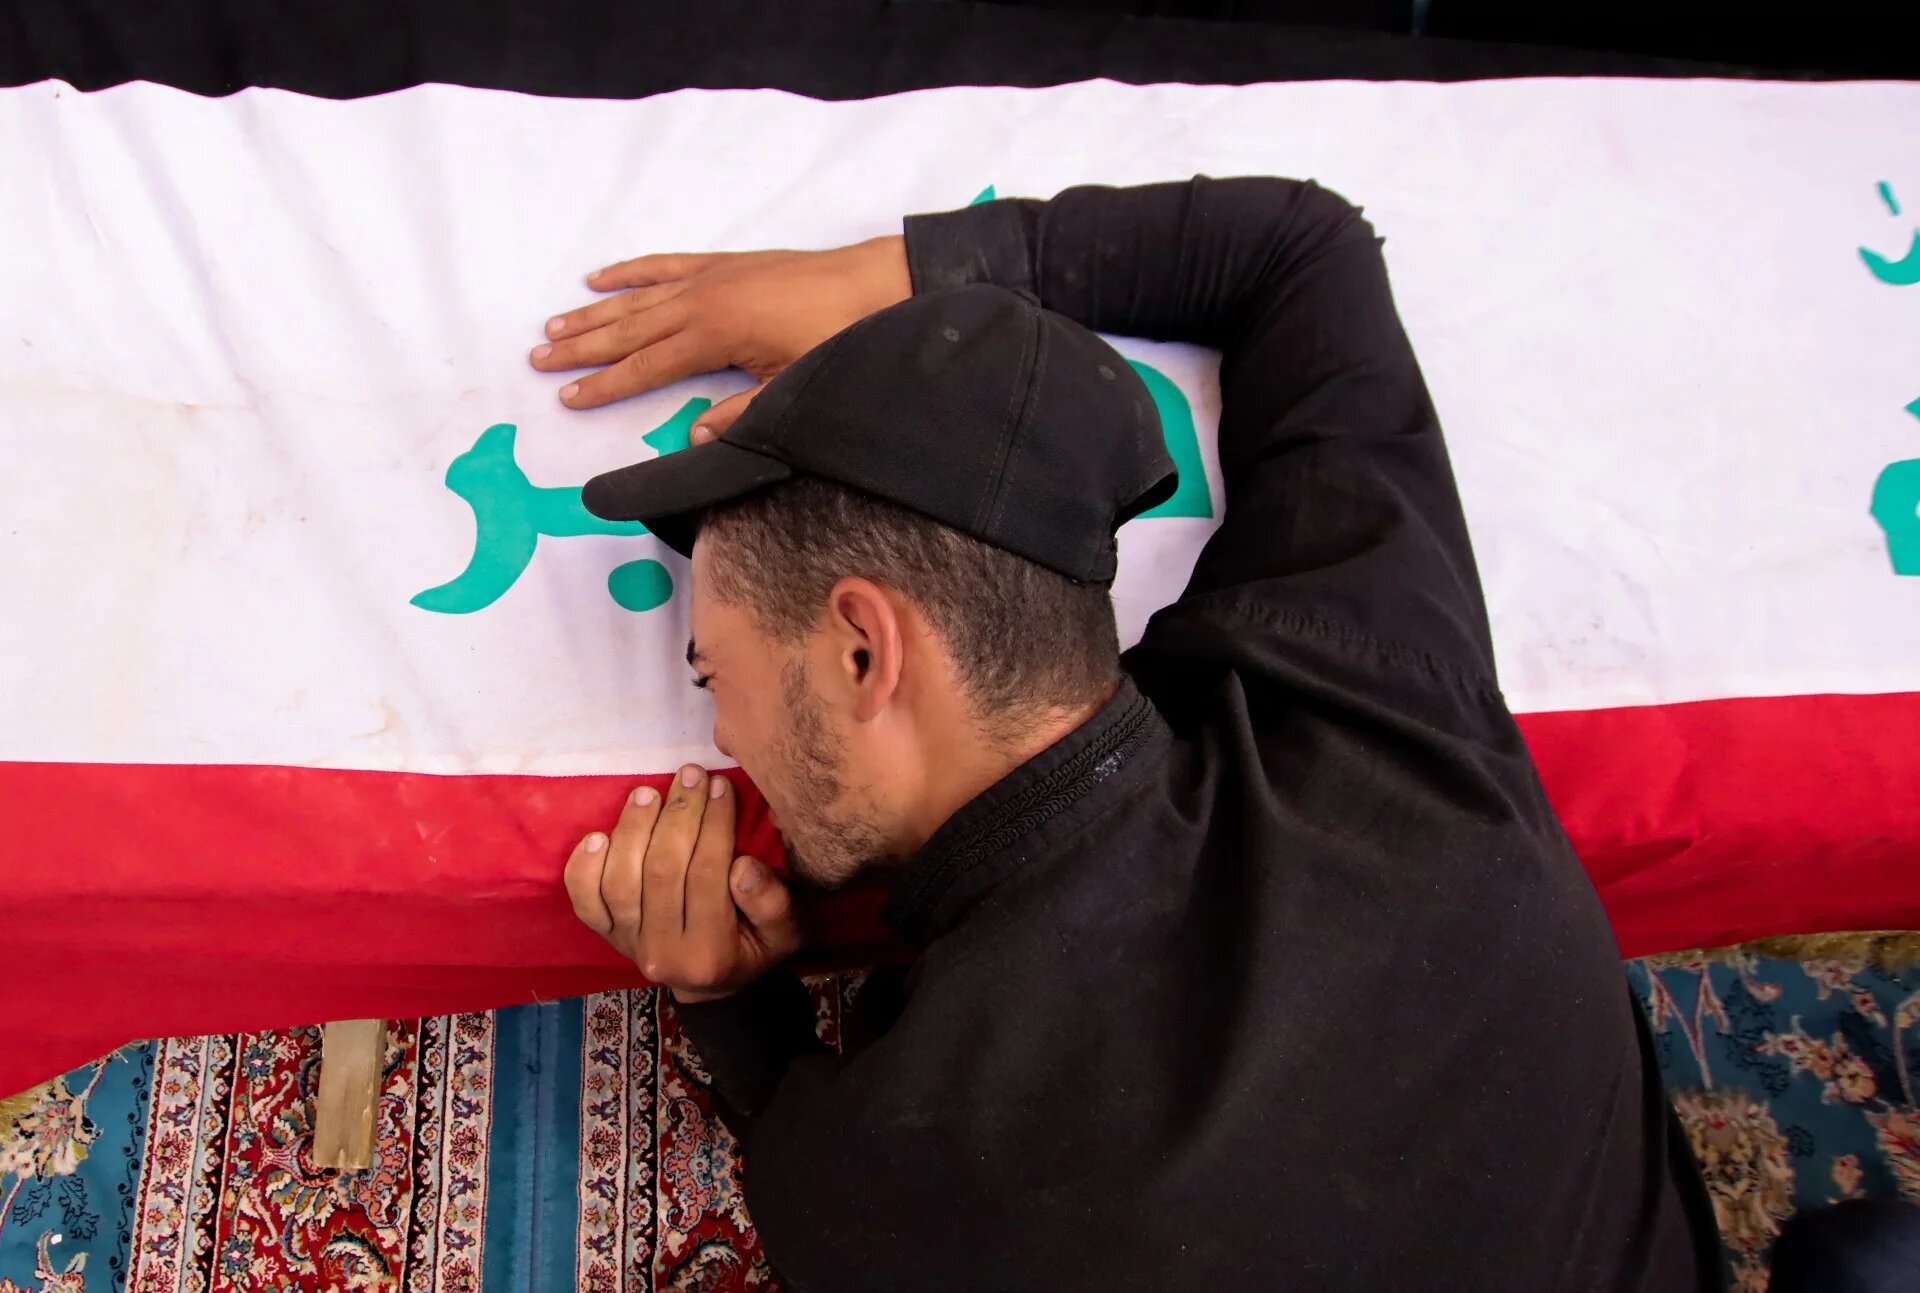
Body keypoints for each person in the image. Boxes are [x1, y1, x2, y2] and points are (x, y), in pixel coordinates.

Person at [534, 177, 1723, 1290]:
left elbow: (800, 1139)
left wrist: (726, 999)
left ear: (863, 652)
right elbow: (1301, 246)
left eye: (715, 672)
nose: (725, 737)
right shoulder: (1371, 697)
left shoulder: (916, 1166)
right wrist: (902, 272)